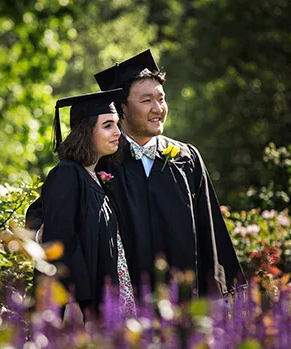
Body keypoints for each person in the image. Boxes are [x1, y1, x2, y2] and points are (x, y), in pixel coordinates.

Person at [28, 50, 245, 300]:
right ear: (122, 109)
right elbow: (47, 217)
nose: (158, 109)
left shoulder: (186, 158)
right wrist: (45, 233)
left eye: (161, 99)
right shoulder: (99, 160)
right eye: (146, 101)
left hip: (183, 302)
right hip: (122, 306)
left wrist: (219, 298)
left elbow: (211, 231)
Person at [39, 89, 137, 321]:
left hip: (107, 300)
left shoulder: (92, 176)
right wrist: (72, 301)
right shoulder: (67, 174)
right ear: (86, 131)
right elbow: (62, 244)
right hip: (82, 307)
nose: (118, 133)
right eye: (108, 125)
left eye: (116, 124)